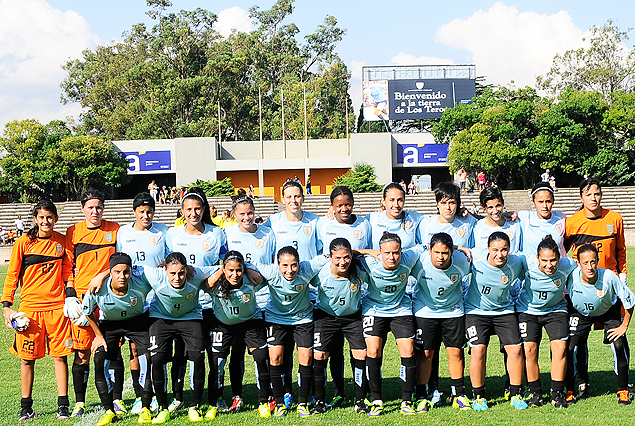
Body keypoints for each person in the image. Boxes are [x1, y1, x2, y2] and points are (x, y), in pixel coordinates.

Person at [2, 200, 74, 421]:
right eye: (42, 217)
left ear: (56, 219)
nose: (46, 221)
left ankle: (63, 405)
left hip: (56, 308)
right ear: (35, 219)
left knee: (60, 357)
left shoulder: (62, 242)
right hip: (29, 311)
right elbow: (12, 274)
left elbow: (68, 272)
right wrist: (6, 306)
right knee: (26, 360)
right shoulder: (24, 242)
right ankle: (26, 407)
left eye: (50, 217)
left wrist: (70, 298)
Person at [564, 177, 627, 400]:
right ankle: (582, 383)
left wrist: (623, 276)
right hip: (582, 291)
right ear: (581, 197)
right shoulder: (571, 223)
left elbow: (621, 249)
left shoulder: (615, 218)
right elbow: (564, 254)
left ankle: (623, 383)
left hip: (609, 289)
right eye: (589, 194)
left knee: (618, 338)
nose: (594, 198)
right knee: (578, 341)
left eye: (597, 193)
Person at [166, 189, 227, 417]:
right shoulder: (172, 235)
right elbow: (165, 264)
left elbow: (226, 262)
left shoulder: (217, 233)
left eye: (198, 209)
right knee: (180, 354)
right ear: (182, 211)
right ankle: (178, 397)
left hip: (210, 304)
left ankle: (217, 396)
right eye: (189, 209)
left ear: (205, 210)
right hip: (183, 306)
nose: (194, 213)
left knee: (213, 355)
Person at [252, 247, 329, 417]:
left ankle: (302, 403)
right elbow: (249, 263)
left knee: (307, 357)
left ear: (299, 263)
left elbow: (330, 256)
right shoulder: (270, 271)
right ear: (277, 265)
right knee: (275, 358)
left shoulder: (307, 268)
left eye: (294, 265)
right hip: (276, 319)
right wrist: (250, 273)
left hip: (303, 319)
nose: (290, 270)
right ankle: (280, 403)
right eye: (285, 265)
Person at [264, 180, 321, 407]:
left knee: (309, 351)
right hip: (281, 291)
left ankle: (308, 394)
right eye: (289, 197)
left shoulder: (315, 221)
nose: (293, 201)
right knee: (282, 351)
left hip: (308, 291)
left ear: (303, 197)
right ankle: (284, 391)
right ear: (282, 198)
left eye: (297, 196)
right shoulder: (272, 222)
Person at [64, 190, 120, 417]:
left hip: (109, 297)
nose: (95, 212)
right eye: (90, 207)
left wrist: (103, 275)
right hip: (82, 299)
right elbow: (68, 266)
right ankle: (80, 402)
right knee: (82, 353)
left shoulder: (114, 229)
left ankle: (117, 400)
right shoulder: (73, 232)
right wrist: (70, 295)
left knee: (113, 350)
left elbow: (120, 261)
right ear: (82, 209)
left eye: (99, 207)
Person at [82, 253, 154, 425]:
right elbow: (87, 310)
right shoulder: (97, 287)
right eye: (117, 272)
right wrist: (98, 336)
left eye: (126, 272)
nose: (122, 276)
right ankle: (109, 410)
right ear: (111, 272)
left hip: (137, 323)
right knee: (99, 361)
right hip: (110, 325)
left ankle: (145, 408)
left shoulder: (141, 282)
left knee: (148, 359)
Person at [357, 233, 423, 416]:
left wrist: (460, 248)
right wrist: (368, 252)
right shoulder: (369, 263)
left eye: (396, 253)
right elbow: (349, 252)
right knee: (373, 351)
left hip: (400, 309)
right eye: (387, 253)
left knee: (408, 350)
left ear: (402, 252)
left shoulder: (409, 258)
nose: (391, 257)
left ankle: (407, 401)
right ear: (380, 252)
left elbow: (429, 246)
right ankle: (377, 400)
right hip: (374, 309)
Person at [116, 192, 168, 414]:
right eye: (141, 212)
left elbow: (172, 259)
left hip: (156, 299)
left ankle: (158, 394)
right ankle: (141, 394)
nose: (146, 216)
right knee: (135, 350)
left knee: (155, 350)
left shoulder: (163, 231)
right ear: (134, 212)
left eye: (149, 212)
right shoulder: (123, 233)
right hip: (132, 299)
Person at [223, 197, 276, 412]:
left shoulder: (267, 233)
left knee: (262, 353)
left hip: (263, 301)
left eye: (250, 213)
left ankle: (266, 394)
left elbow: (273, 265)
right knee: (236, 352)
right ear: (234, 215)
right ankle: (238, 396)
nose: (246, 217)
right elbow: (223, 263)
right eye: (242, 214)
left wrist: (256, 272)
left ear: (255, 212)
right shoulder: (228, 234)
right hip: (237, 302)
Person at [464, 232, 527, 411]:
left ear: (510, 249)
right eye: (495, 250)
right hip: (476, 312)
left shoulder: (516, 262)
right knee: (478, 351)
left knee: (515, 350)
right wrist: (457, 247)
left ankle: (515, 393)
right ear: (488, 249)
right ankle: (479, 396)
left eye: (504, 250)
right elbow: (454, 250)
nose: (500, 254)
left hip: (504, 311)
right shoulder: (475, 258)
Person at [204, 251, 272, 419]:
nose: (235, 274)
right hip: (223, 324)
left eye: (239, 270)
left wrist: (247, 268)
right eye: (231, 270)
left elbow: (258, 278)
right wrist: (221, 270)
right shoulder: (217, 282)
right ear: (224, 270)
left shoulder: (250, 280)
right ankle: (215, 402)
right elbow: (207, 285)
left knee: (261, 358)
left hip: (250, 321)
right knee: (217, 363)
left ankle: (264, 401)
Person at [565, 244, 635, 405]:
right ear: (579, 263)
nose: (590, 267)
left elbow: (630, 301)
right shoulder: (571, 276)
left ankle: (623, 389)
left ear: (597, 261)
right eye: (585, 263)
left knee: (619, 344)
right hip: (580, 313)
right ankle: (571, 389)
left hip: (608, 312)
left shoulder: (609, 276)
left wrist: (624, 326)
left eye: (593, 262)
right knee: (571, 347)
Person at [411, 233, 472, 412]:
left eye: (445, 253)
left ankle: (458, 394)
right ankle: (422, 395)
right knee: (426, 354)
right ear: (430, 250)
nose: (440, 257)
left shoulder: (462, 261)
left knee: (456, 353)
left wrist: (460, 248)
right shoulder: (420, 262)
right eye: (436, 252)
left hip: (453, 311)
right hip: (425, 311)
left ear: (452, 252)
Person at [515, 236, 577, 408]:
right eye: (544, 261)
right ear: (537, 258)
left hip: (555, 310)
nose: (549, 265)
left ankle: (557, 393)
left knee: (560, 348)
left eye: (553, 260)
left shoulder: (568, 265)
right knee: (530, 350)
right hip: (528, 311)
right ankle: (535, 393)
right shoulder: (525, 261)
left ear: (559, 258)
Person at [311, 238, 369, 414]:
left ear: (351, 256)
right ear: (329, 257)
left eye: (346, 257)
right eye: (337, 258)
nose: (342, 262)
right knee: (320, 355)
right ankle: (319, 400)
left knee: (361, 353)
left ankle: (360, 399)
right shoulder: (319, 273)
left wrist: (363, 252)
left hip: (352, 318)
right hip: (325, 317)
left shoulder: (360, 271)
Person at [517, 182, 566, 257]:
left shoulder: (561, 218)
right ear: (533, 202)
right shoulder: (524, 218)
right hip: (531, 268)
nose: (544, 206)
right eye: (540, 202)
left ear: (553, 201)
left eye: (548, 201)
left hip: (556, 267)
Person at [473, 186, 522, 253]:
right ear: (484, 207)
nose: (495, 211)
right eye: (490, 207)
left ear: (503, 203)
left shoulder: (514, 225)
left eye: (498, 206)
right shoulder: (477, 228)